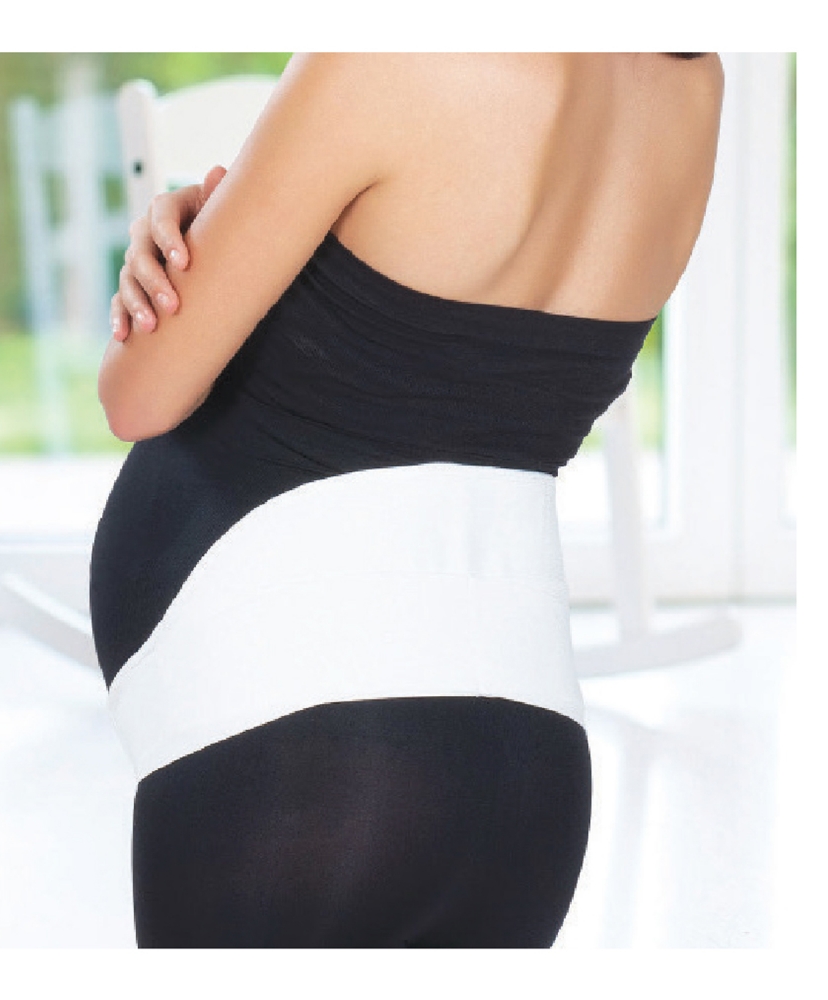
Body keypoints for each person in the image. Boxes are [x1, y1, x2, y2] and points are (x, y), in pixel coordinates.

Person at [91, 53, 724, 947]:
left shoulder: (398, 48)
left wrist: (175, 247)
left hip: (294, 749)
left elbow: (138, 394)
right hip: (530, 766)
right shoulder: (692, 88)